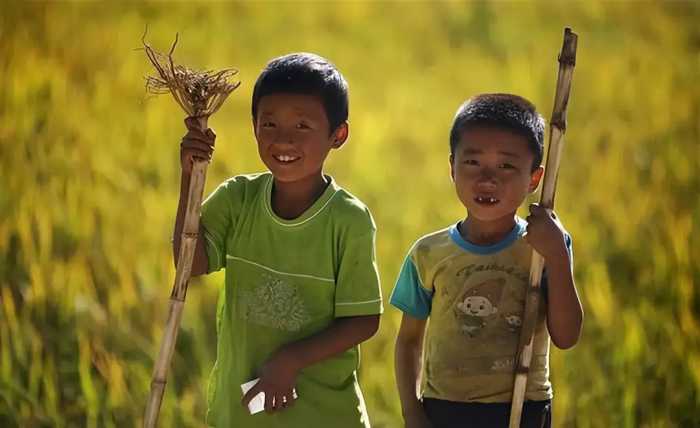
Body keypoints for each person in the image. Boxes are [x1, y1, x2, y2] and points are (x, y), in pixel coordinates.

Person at [174, 52, 383, 427]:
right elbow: (190, 264)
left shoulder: (348, 220)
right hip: (244, 412)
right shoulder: (238, 199)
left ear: (338, 135)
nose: (283, 139)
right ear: (253, 126)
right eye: (269, 124)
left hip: (322, 415)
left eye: (302, 126)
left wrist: (291, 360)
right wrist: (190, 178)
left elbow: (364, 320)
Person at [391, 94, 583, 428]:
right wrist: (412, 412)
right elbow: (408, 341)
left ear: (534, 179)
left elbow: (566, 337)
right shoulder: (428, 254)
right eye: (473, 162)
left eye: (507, 165)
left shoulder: (544, 247)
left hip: (524, 407)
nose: (488, 179)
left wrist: (557, 256)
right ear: (452, 167)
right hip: (445, 409)